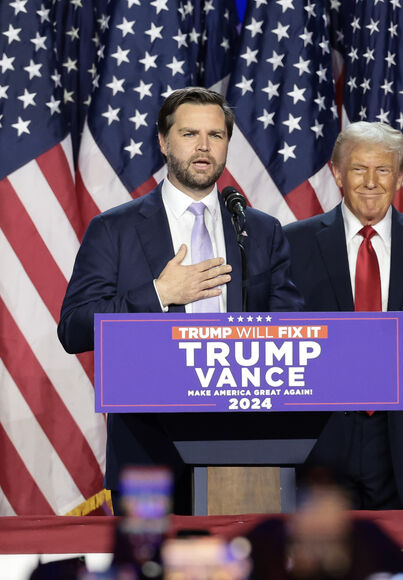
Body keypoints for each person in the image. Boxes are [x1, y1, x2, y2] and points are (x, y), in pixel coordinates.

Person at [58, 87, 304, 513]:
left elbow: (291, 328)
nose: (204, 146)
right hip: (146, 453)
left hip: (245, 452)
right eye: (190, 134)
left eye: (216, 135)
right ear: (163, 141)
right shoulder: (114, 230)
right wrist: (159, 294)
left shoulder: (260, 231)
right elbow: (74, 327)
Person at [283, 122, 403, 510]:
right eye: (358, 169)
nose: (371, 181)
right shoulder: (293, 244)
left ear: (400, 177)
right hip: (317, 443)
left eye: (383, 169)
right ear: (337, 173)